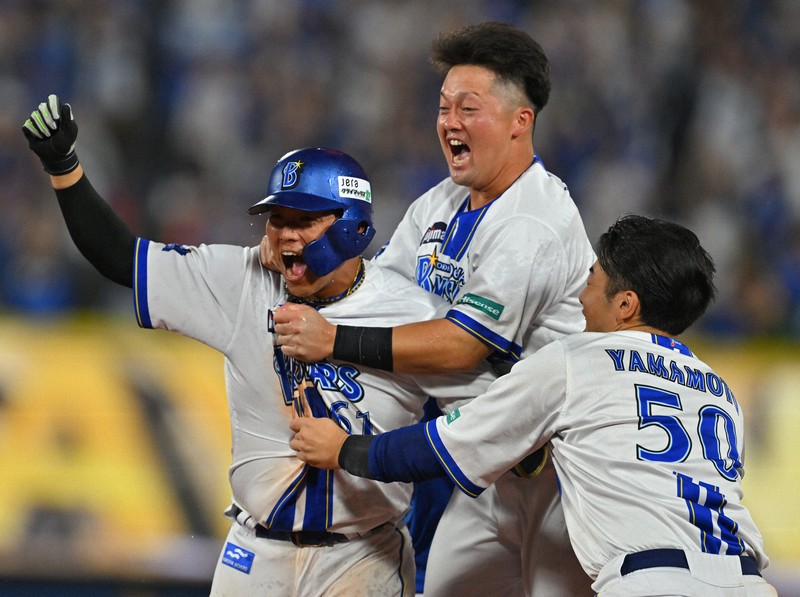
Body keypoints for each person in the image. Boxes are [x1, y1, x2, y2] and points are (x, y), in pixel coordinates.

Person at [21, 95, 496, 596]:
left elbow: (483, 423)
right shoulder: (243, 280)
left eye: (303, 220)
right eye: (277, 219)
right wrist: (65, 168)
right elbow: (123, 260)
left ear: (352, 225)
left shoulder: (414, 313)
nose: (285, 234)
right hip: (254, 553)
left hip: (362, 555)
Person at [290, 215, 779, 597]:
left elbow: (445, 446)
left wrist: (346, 450)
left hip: (652, 584)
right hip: (749, 581)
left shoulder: (579, 359)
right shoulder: (719, 390)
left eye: (593, 279)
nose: (581, 296)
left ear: (626, 304)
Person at [272, 21, 596, 596]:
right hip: (482, 461)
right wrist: (303, 259)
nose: (449, 122)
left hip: (558, 472)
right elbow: (378, 296)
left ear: (520, 121)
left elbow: (461, 346)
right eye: (444, 107)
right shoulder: (441, 202)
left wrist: (333, 339)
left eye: (468, 109)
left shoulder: (533, 221)